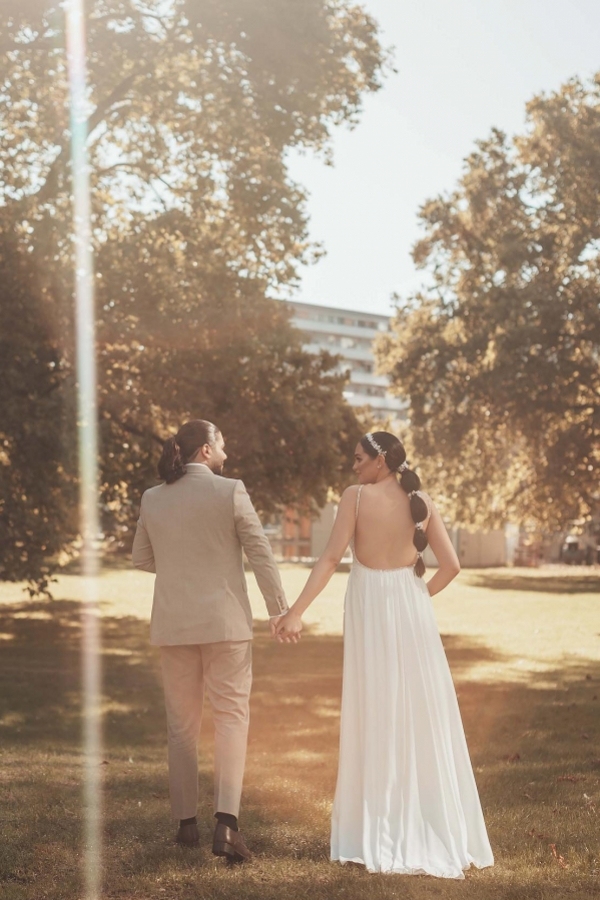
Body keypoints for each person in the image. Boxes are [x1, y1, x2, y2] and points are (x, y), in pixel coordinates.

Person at [274, 432, 494, 878]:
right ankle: (428, 824)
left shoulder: (355, 498)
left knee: (375, 710)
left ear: (379, 461)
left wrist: (295, 612)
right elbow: (450, 566)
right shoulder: (421, 499)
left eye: (358, 459)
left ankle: (374, 827)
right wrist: (415, 599)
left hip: (371, 607)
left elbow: (330, 559)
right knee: (419, 714)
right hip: (413, 609)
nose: (353, 466)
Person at [132, 419, 290, 862]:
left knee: (181, 727)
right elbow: (259, 550)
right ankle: (227, 826)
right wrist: (278, 609)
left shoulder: (152, 497)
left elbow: (142, 558)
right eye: (222, 444)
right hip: (225, 625)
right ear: (205, 450)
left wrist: (181, 564)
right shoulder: (230, 490)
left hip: (175, 625)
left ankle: (186, 826)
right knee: (230, 720)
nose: (227, 453)